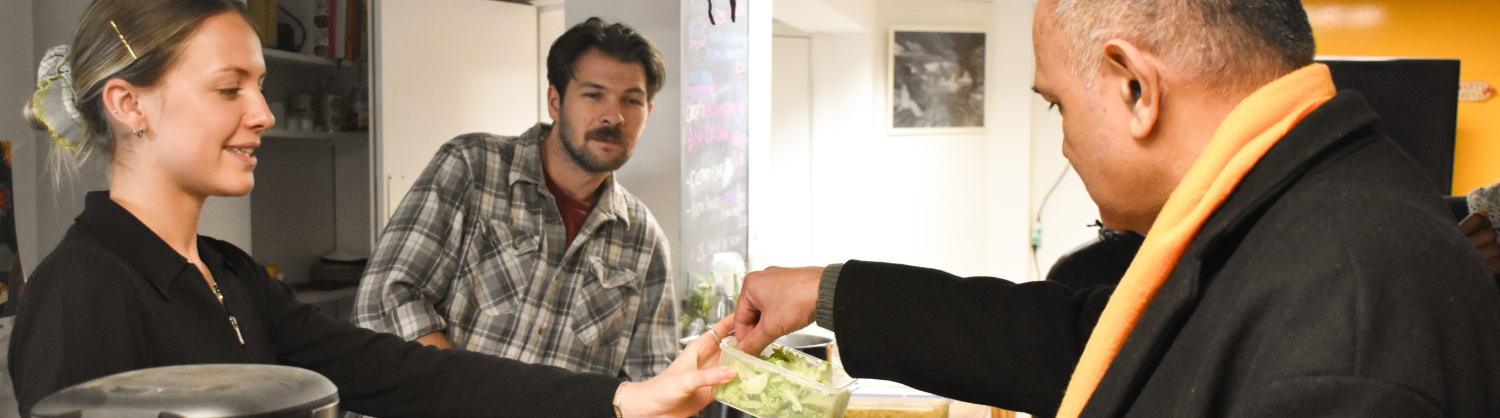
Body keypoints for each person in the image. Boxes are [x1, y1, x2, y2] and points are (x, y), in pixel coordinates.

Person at [731, 0, 1500, 417]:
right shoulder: (1292, 215)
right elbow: (1078, 341)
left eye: (1057, 104)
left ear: (1135, 87)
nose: (1062, 144)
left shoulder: (1349, 308)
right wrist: (824, 290)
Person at [9, 1, 735, 416]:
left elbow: (415, 374)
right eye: (230, 89)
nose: (262, 111)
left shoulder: (232, 279)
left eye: (259, 85)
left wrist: (623, 399)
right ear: (129, 104)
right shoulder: (83, 292)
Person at [349, 17, 678, 384]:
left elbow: (653, 380)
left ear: (647, 114)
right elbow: (383, 300)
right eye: (593, 94)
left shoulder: (645, 241)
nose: (613, 116)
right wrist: (472, 401)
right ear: (555, 101)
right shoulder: (472, 166)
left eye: (631, 101)